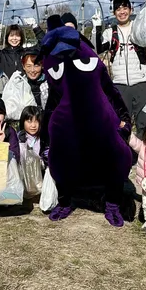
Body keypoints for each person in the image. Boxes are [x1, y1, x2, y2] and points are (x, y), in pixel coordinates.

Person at [40, 21, 133, 227]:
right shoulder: (54, 65)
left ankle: (112, 203)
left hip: (100, 124)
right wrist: (46, 140)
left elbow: (110, 91)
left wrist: (124, 121)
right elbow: (52, 103)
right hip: (67, 127)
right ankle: (65, 200)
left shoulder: (91, 61)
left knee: (114, 159)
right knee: (62, 162)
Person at [92, 0, 146, 135]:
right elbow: (98, 48)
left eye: (125, 8)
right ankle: (124, 155)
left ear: (131, 9)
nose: (122, 12)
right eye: (118, 9)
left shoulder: (140, 27)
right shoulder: (110, 33)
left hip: (142, 83)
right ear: (113, 13)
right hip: (119, 85)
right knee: (121, 125)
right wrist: (97, 28)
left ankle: (143, 156)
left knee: (144, 125)